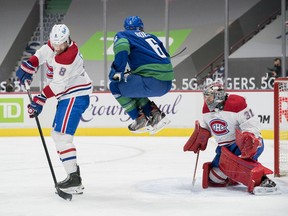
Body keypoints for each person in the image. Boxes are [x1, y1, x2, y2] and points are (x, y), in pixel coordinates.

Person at [16, 24, 93, 194]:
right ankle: (74, 176)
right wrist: (29, 66)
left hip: (75, 95)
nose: (57, 48)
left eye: (61, 45)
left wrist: (39, 100)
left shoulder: (68, 57)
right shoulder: (55, 44)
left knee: (63, 137)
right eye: (55, 44)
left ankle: (74, 179)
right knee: (58, 135)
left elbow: (58, 85)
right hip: (68, 96)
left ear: (68, 40)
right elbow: (42, 54)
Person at [183, 81, 278, 195]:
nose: (207, 100)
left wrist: (250, 137)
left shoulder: (237, 103)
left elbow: (251, 123)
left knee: (240, 165)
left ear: (219, 95)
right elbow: (207, 125)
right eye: (206, 96)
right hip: (224, 151)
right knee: (214, 177)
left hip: (242, 146)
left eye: (210, 96)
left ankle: (263, 181)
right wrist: (201, 134)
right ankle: (233, 177)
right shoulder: (206, 109)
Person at [109, 16, 174, 134]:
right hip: (167, 83)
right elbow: (166, 57)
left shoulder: (124, 35)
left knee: (115, 86)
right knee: (133, 85)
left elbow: (122, 47)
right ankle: (154, 113)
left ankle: (139, 118)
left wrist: (117, 72)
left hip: (151, 81)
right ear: (142, 28)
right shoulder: (152, 37)